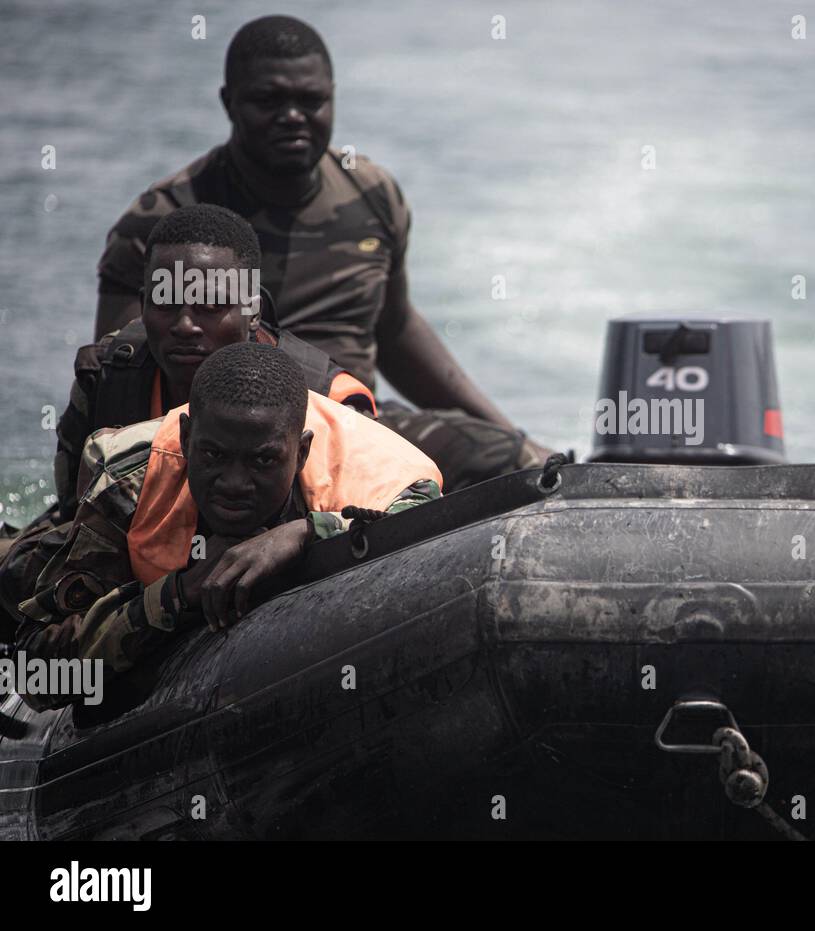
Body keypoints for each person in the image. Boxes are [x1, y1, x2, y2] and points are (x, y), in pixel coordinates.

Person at [94, 15, 551, 493]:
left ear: (332, 97)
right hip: (227, 439)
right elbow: (123, 364)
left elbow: (394, 329)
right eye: (269, 100)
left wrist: (516, 435)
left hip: (356, 420)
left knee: (508, 462)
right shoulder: (167, 223)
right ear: (230, 103)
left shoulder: (373, 195)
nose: (292, 116)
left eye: (310, 100)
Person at [0, 204, 375, 632]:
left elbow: (377, 524)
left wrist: (301, 535)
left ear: (252, 310)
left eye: (210, 304)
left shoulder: (330, 402)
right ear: (143, 306)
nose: (185, 324)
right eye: (166, 302)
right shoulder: (110, 376)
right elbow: (74, 518)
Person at [13, 342, 442, 711]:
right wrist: (177, 595)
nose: (235, 485)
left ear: (302, 452)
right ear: (186, 438)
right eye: (214, 457)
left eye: (262, 461)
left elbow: (428, 553)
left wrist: (304, 534)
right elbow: (38, 673)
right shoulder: (129, 482)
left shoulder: (384, 481)